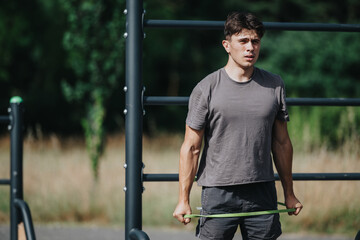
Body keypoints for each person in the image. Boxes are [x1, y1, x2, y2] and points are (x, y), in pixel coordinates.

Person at [173, 12, 303, 240]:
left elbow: (282, 143)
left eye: (255, 41)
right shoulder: (206, 88)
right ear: (227, 45)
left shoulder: (274, 85)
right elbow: (191, 148)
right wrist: (183, 199)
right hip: (218, 193)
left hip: (262, 192)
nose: (250, 48)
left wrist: (289, 193)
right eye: (243, 41)